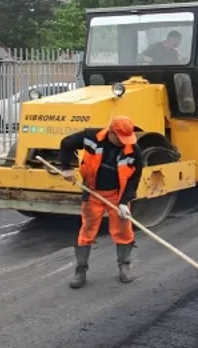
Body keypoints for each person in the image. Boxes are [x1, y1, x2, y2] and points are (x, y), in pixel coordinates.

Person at [58, 115, 144, 289]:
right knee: (87, 230)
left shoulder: (133, 149)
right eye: (120, 138)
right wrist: (66, 168)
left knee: (123, 230)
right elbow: (66, 143)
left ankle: (124, 267)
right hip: (93, 192)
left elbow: (135, 178)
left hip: (116, 195)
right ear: (111, 132)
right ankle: (80, 270)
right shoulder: (91, 137)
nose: (123, 142)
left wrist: (124, 201)